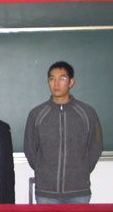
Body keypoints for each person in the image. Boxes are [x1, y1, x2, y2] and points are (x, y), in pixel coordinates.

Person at [24, 61, 103, 204]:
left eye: (62, 78)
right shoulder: (37, 114)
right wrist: (43, 172)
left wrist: (82, 171)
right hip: (46, 192)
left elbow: (95, 146)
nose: (56, 83)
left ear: (71, 82)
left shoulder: (87, 113)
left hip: (78, 191)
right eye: (52, 79)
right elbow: (30, 148)